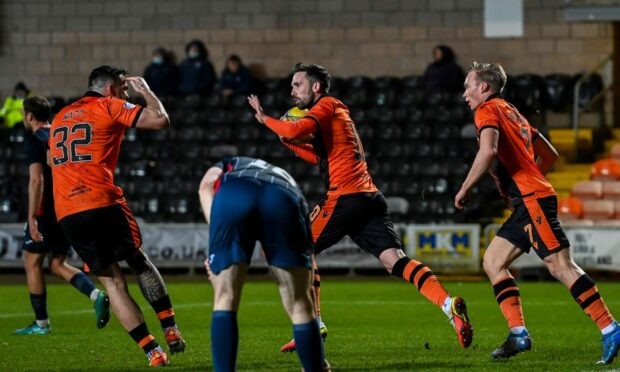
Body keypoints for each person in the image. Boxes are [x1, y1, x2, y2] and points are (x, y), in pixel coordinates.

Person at [248, 62, 473, 353]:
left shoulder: (326, 106)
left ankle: (313, 326)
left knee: (296, 248)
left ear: (316, 87)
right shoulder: (338, 115)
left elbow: (298, 129)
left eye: (297, 85)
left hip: (345, 197)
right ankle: (447, 305)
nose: (292, 91)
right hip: (369, 198)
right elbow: (320, 158)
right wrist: (286, 140)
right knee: (395, 260)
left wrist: (266, 119)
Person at [456, 61, 620, 364]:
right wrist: (530, 175)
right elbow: (550, 154)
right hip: (527, 201)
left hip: (531, 199)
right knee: (493, 262)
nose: (464, 92)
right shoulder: (512, 112)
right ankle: (518, 333)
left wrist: (465, 188)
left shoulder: (487, 110)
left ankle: (610, 327)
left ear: (484, 87)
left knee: (560, 266)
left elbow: (488, 151)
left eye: (468, 86)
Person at [49, 66, 185, 367]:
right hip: (101, 200)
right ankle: (170, 329)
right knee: (138, 261)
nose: (127, 94)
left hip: (68, 212)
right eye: (124, 89)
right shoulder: (108, 105)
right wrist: (146, 91)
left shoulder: (60, 117)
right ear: (111, 89)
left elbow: (50, 159)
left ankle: (153, 352)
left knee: (112, 284)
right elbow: (160, 120)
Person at [199, 156, 329, 372]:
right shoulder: (283, 175)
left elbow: (205, 186)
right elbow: (308, 248)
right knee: (300, 303)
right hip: (285, 196)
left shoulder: (229, 163)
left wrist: (218, 240)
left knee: (225, 297)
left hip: (235, 192)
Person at [13, 96, 110, 336]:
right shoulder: (57, 133)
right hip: (66, 206)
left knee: (31, 262)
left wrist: (32, 216)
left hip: (46, 210)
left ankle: (41, 323)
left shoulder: (33, 138)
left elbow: (37, 180)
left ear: (29, 116)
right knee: (56, 263)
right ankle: (96, 295)